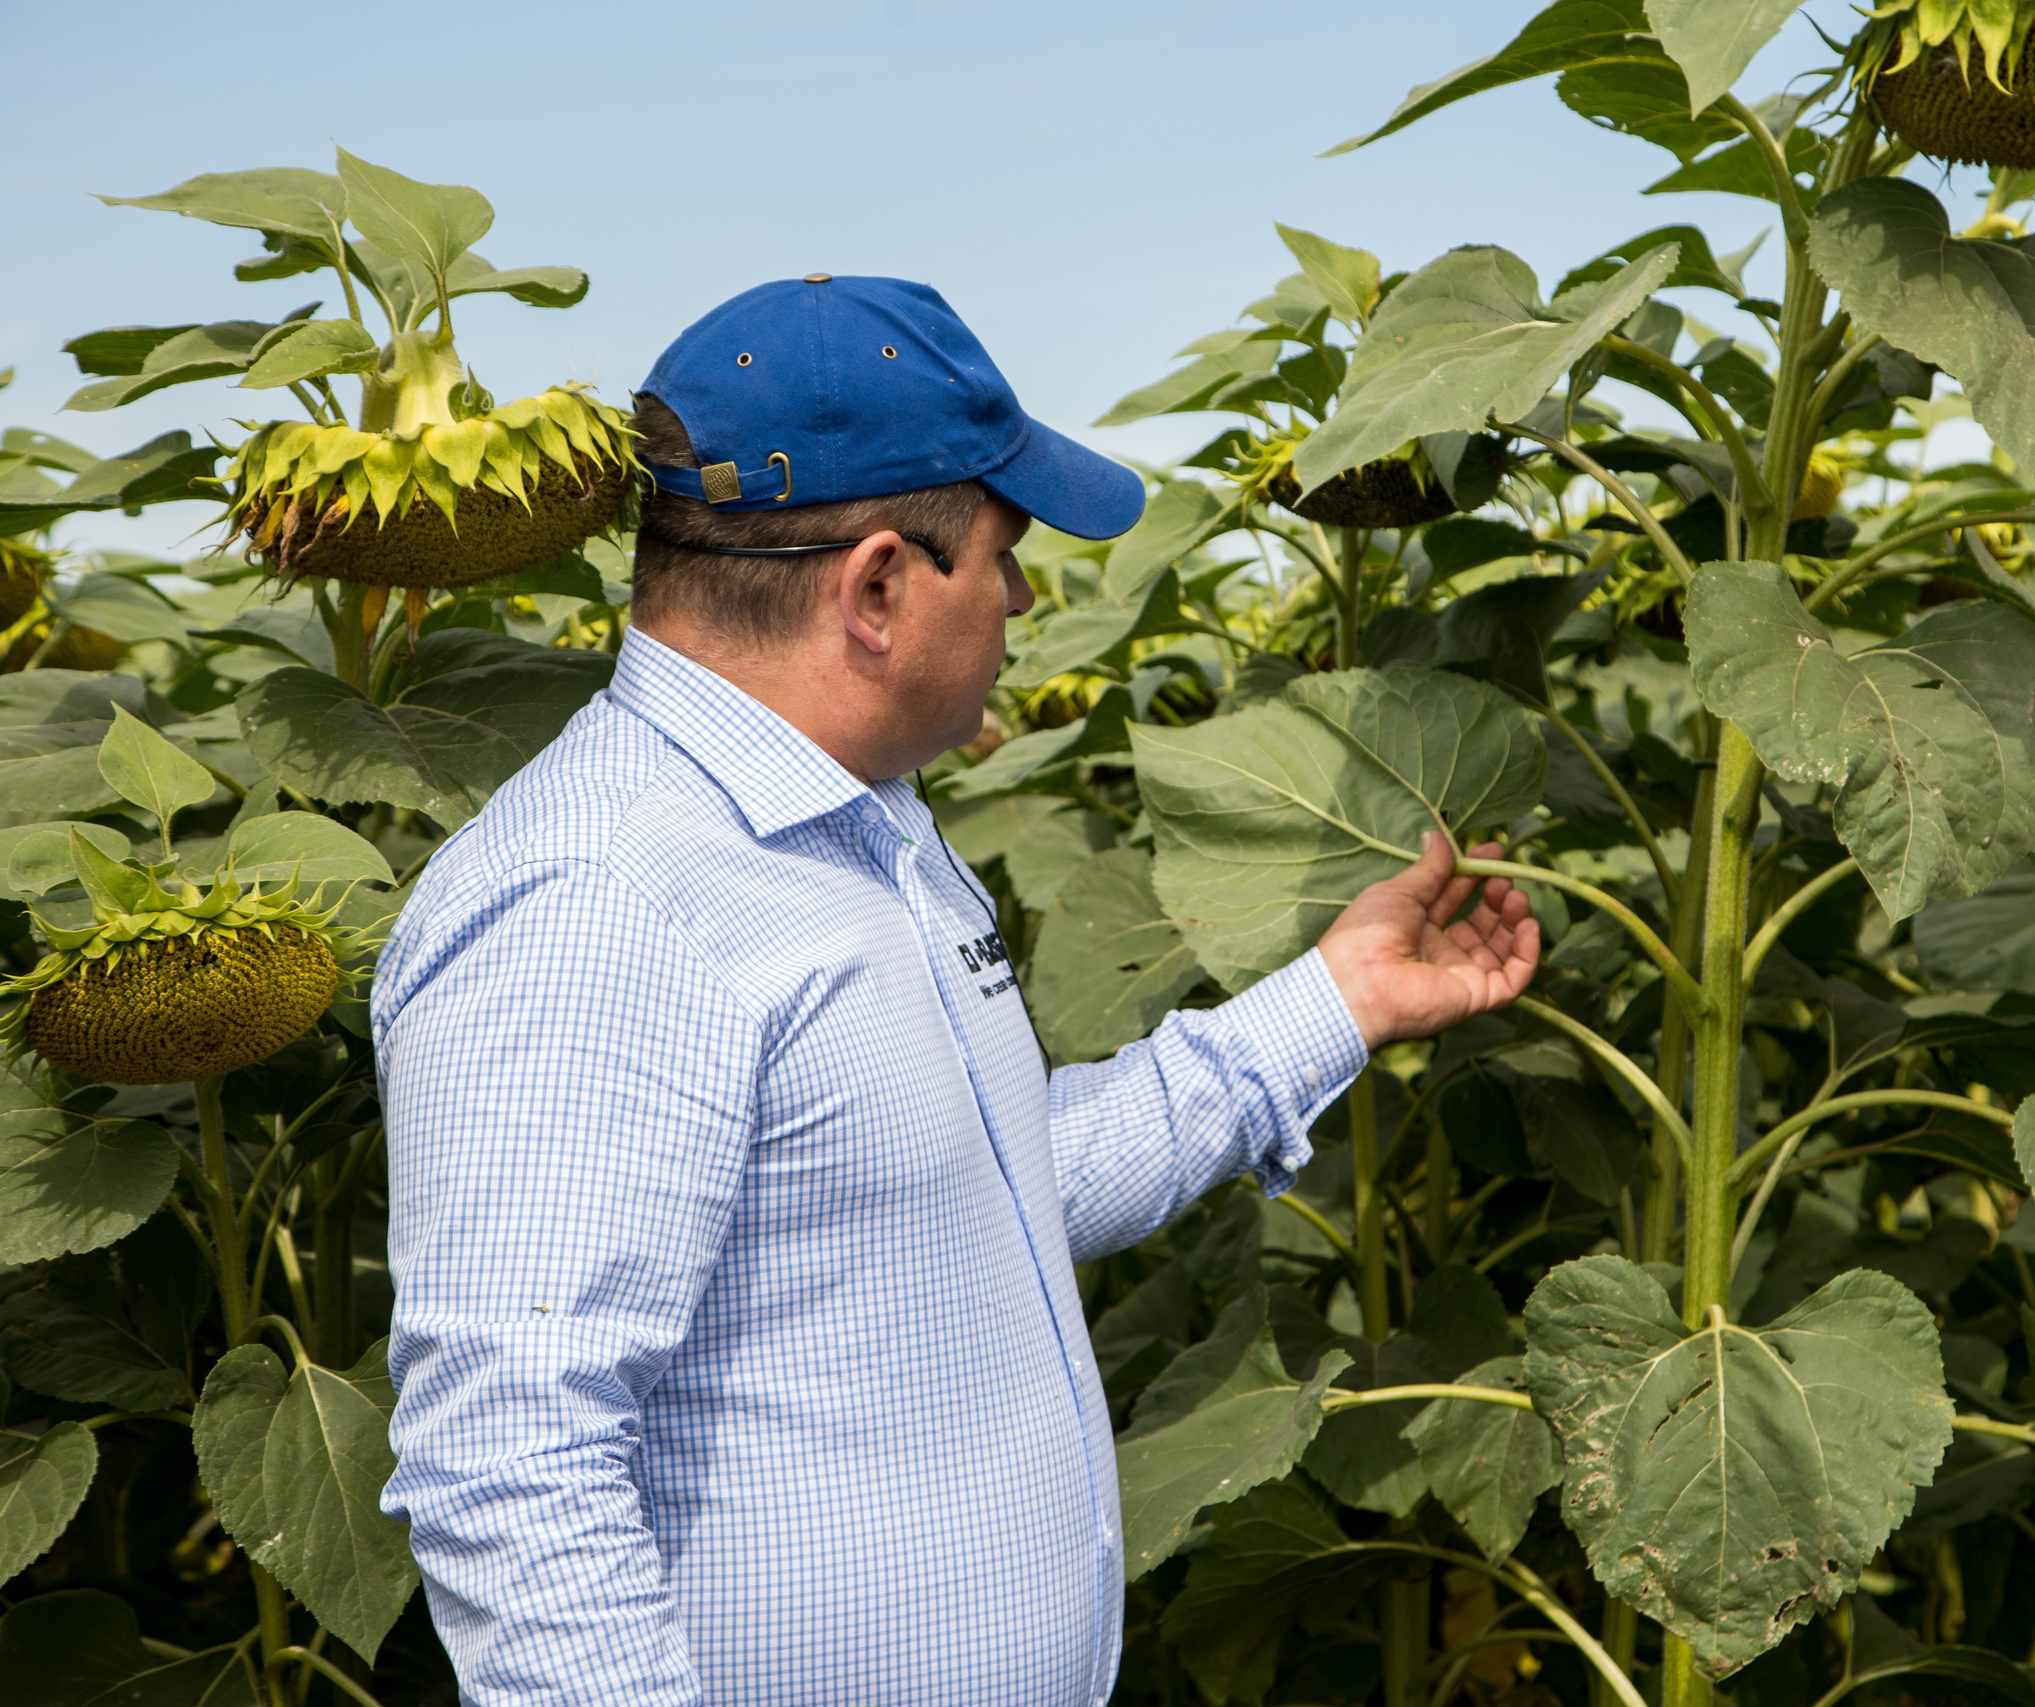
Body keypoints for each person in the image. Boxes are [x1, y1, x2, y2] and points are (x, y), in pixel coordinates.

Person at [373, 275, 1540, 1706]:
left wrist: (1338, 1000)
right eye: (1002, 553)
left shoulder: (870, 828)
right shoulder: (601, 900)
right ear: (875, 588)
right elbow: (514, 1465)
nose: (1024, 598)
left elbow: (988, 1179)